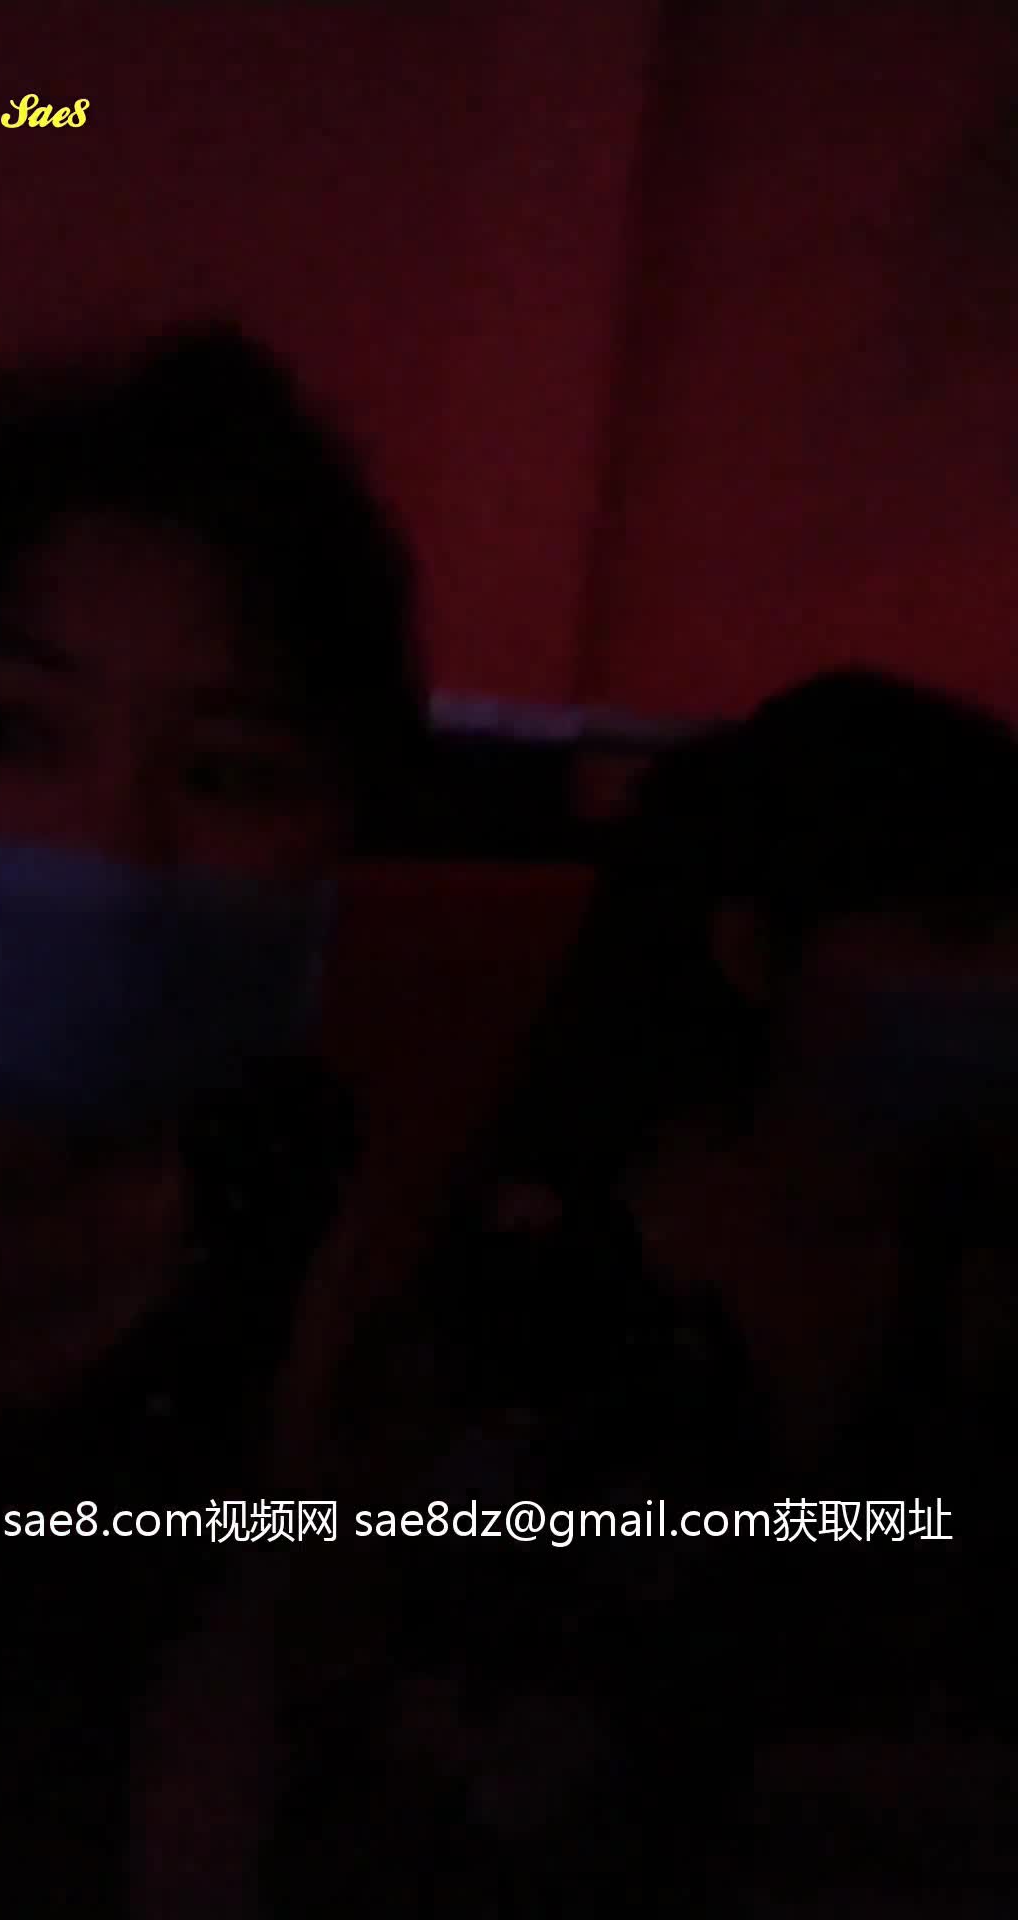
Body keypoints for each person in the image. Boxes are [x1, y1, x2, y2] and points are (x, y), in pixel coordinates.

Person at [278, 667, 1018, 1916]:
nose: (1007, 981)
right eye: (957, 931)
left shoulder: (973, 1266)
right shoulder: (541, 1294)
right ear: (752, 952)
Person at [0, 322, 424, 1915]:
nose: (117, 846)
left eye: (225, 772)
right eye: (9, 734)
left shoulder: (278, 1176)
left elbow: (218, 1680)